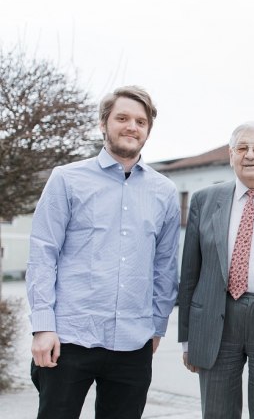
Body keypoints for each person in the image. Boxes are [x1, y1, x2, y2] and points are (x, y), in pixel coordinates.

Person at [26, 86, 180, 419]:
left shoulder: (165, 192)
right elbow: (42, 255)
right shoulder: (66, 180)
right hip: (68, 338)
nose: (132, 127)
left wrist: (156, 327)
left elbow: (165, 267)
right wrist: (42, 327)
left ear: (148, 130)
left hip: (133, 343)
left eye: (141, 121)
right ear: (103, 123)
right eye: (122, 118)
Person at [177, 122, 254, 418]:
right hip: (216, 321)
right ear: (231, 155)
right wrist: (187, 338)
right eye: (242, 148)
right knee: (217, 413)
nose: (250, 155)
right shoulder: (204, 200)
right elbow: (190, 272)